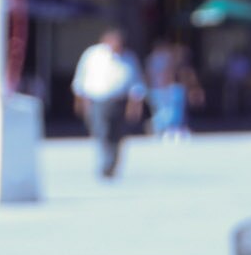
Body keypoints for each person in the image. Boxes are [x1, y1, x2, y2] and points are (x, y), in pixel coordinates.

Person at [69, 27, 145, 179]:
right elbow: (81, 78)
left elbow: (136, 84)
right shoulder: (93, 55)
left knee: (117, 135)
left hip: (120, 101)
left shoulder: (128, 58)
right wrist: (80, 100)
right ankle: (106, 161)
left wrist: (135, 104)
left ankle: (112, 163)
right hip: (97, 100)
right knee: (100, 131)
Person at [148, 43, 193, 141]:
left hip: (177, 126)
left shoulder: (178, 90)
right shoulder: (155, 60)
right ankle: (161, 127)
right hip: (159, 92)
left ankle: (176, 127)